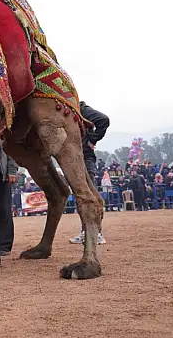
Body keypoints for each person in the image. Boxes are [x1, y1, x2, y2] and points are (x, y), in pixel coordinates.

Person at [70, 101, 109, 245]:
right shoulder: (64, 107)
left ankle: (96, 232)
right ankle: (86, 231)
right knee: (81, 198)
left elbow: (103, 120)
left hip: (85, 158)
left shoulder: (78, 107)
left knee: (90, 196)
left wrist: (92, 140)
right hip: (73, 159)